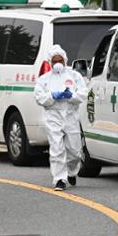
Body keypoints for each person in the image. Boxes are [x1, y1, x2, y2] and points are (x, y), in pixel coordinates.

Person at [34, 44, 87, 191]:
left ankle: (71, 171)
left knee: (75, 150)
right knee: (57, 148)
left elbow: (83, 93)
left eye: (60, 60)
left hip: (71, 115)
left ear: (65, 60)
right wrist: (52, 96)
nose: (58, 63)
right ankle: (59, 179)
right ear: (50, 62)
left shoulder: (75, 76)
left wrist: (72, 96)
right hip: (53, 115)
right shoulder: (44, 79)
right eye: (55, 60)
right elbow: (39, 97)